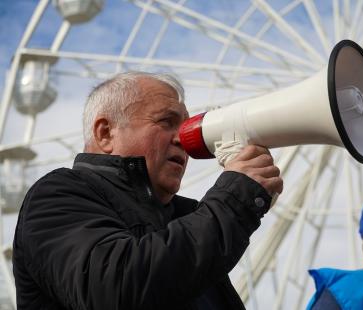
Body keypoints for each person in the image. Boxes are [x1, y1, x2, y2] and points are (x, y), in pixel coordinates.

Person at [13, 71, 283, 309]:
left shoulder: (187, 218)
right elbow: (115, 288)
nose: (183, 140)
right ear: (105, 133)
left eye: (187, 126)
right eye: (166, 122)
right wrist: (235, 200)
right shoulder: (57, 195)